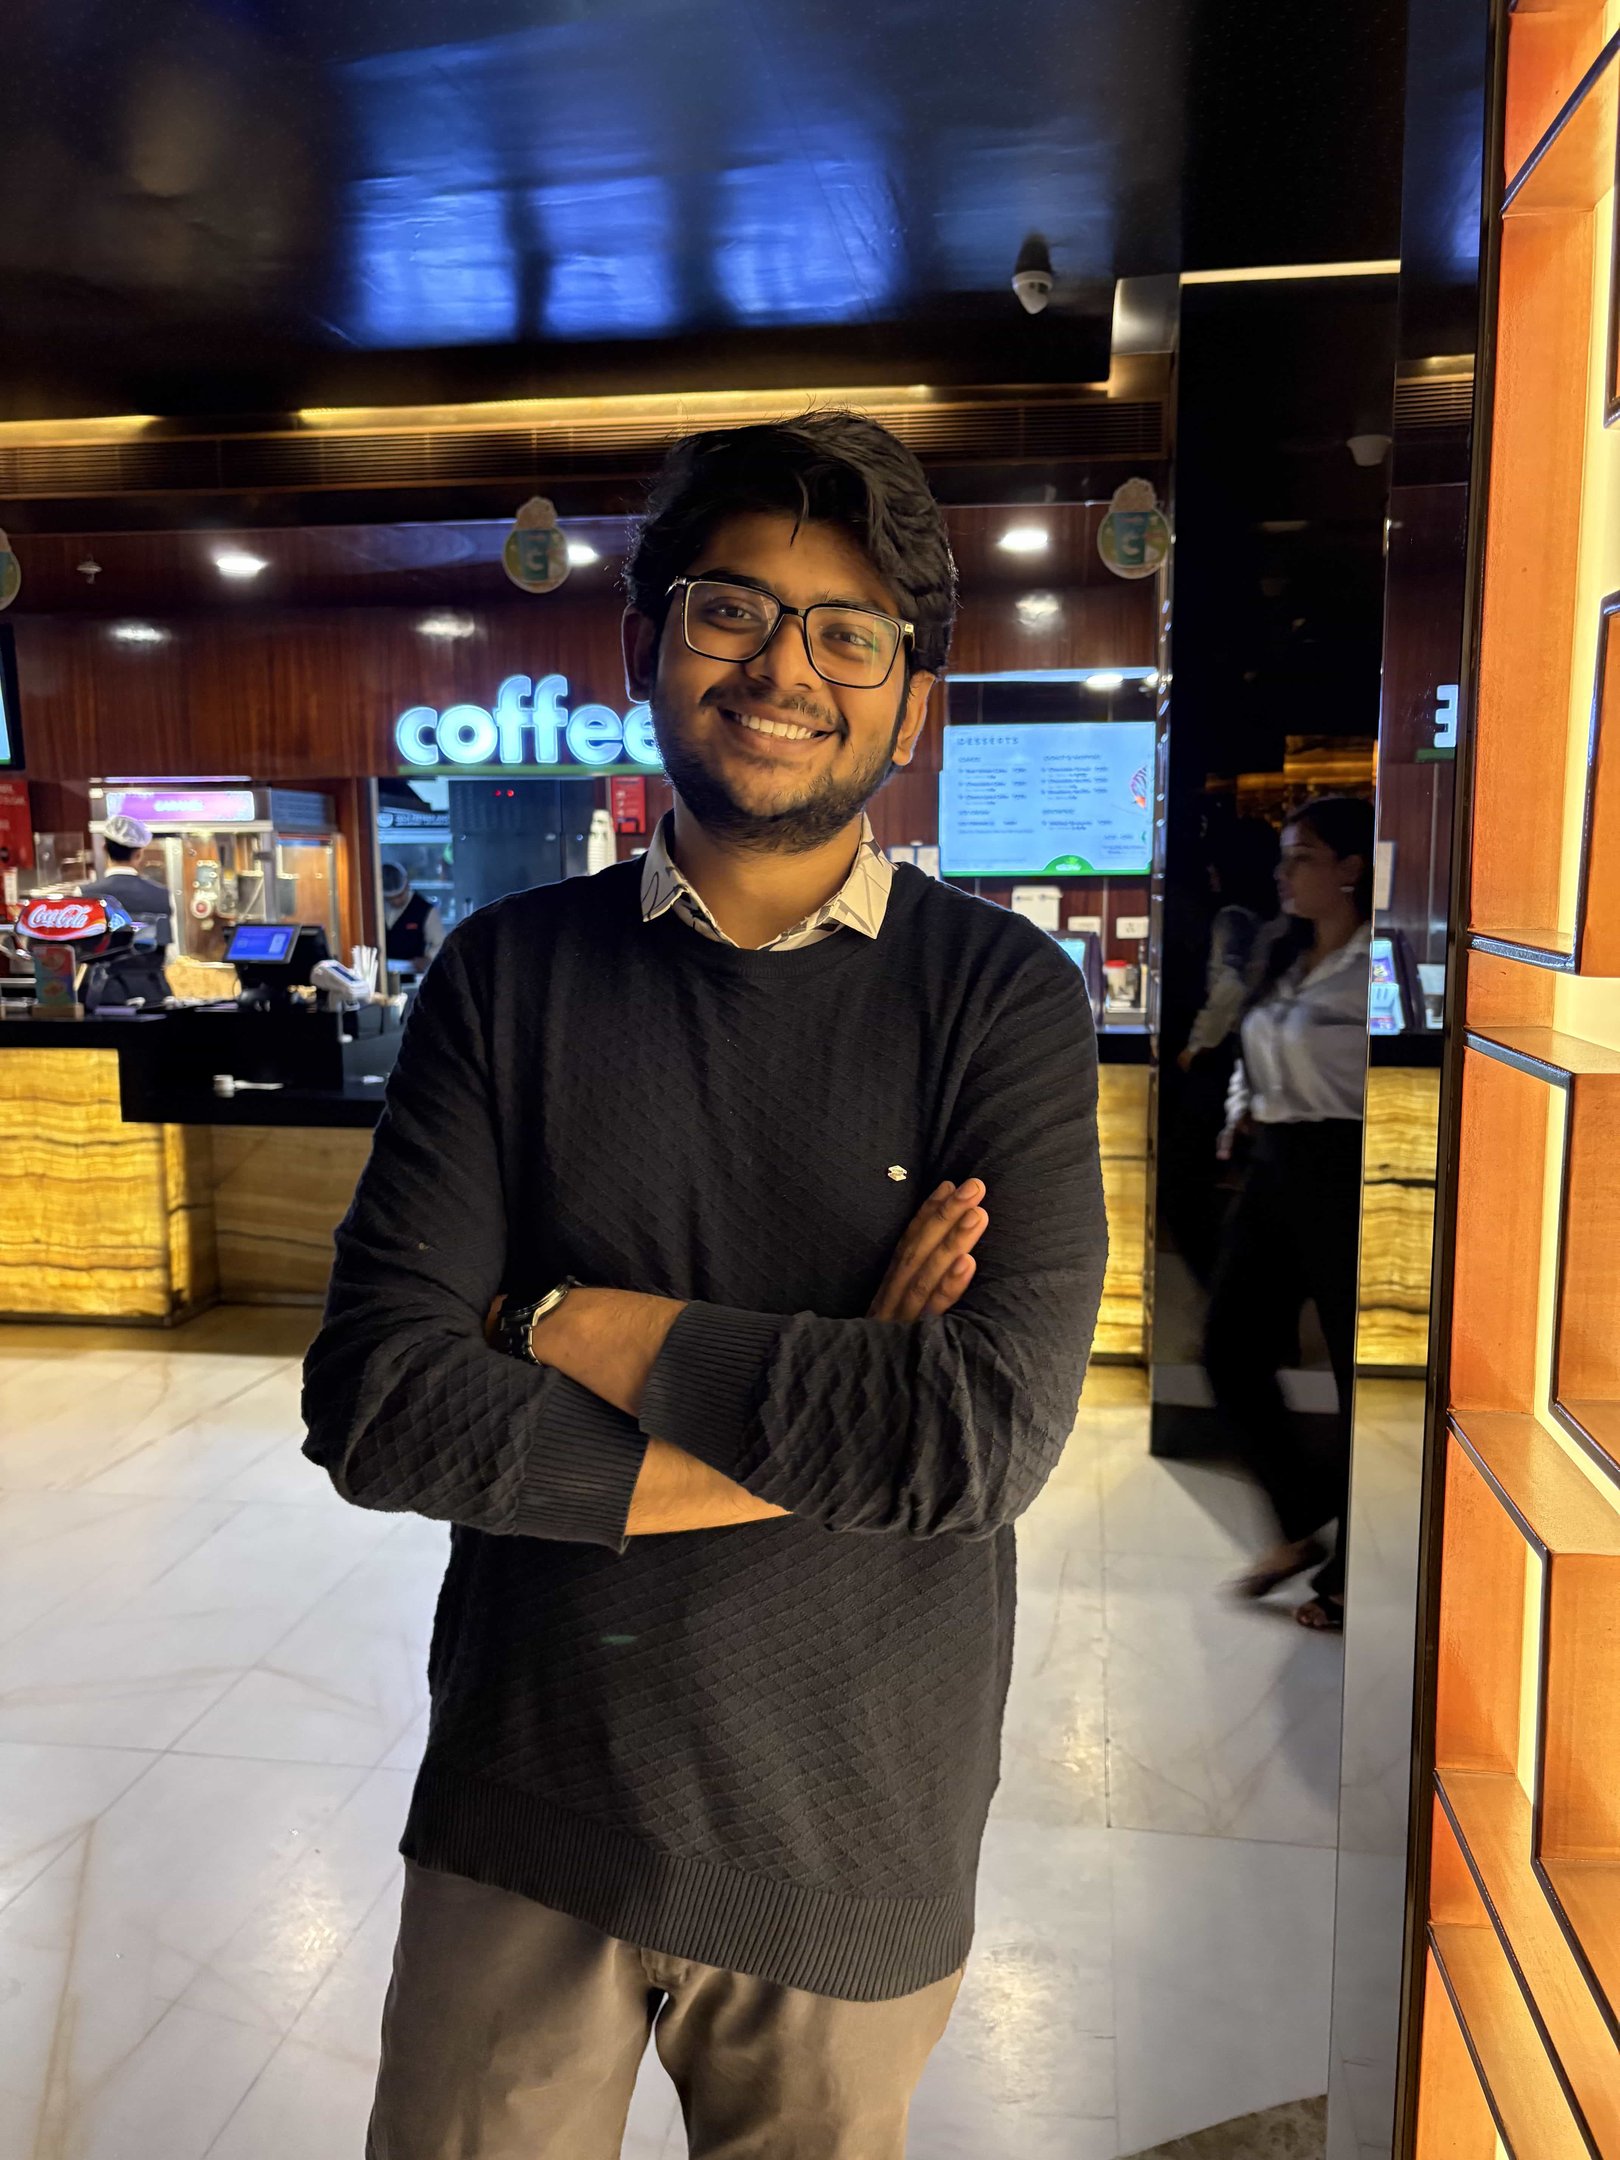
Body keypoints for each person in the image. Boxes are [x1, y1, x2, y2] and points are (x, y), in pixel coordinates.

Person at [302, 410, 1107, 2160]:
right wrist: (838, 1397)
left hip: (852, 1827)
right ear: (645, 645)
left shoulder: (1002, 1000)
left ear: (913, 702)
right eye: (732, 609)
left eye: (850, 632)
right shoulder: (506, 978)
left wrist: (557, 1319)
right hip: (528, 1794)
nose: (784, 669)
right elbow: (377, 1407)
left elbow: (972, 1443)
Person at [1204, 794, 1374, 1633]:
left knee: (1357, 1376)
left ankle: (1351, 1569)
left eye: (1303, 856)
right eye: (1285, 856)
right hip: (1275, 1163)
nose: (1284, 872)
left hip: (1346, 1165)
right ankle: (1302, 1515)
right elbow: (1254, 1044)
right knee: (1230, 1349)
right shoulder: (1284, 950)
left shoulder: (1380, 964)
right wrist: (1243, 1109)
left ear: (1350, 868)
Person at [76, 812, 175, 1009]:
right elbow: (171, 955)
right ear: (139, 854)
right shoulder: (163, 894)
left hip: (102, 995)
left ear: (104, 848)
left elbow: (78, 951)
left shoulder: (83, 894)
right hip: (153, 992)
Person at [381, 859, 444, 973]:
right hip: (385, 973)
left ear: (407, 886)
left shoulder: (426, 910)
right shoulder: (378, 909)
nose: (396, 901)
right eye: (390, 899)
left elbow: (440, 943)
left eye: (399, 896)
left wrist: (428, 958)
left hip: (413, 975)